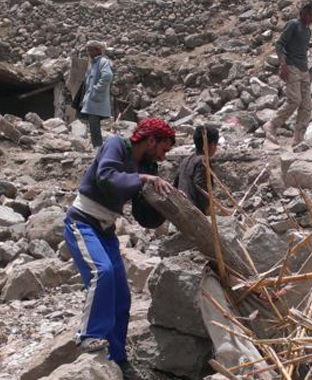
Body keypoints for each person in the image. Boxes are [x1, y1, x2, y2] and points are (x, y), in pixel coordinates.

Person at [63, 118, 176, 379]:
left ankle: (118, 357)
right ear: (151, 140)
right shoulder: (116, 145)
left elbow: (142, 214)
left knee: (121, 296)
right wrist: (144, 177)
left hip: (105, 230)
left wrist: (163, 204)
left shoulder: (145, 165)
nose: (163, 155)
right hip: (83, 222)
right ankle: (89, 335)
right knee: (102, 273)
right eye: (163, 148)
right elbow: (107, 177)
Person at [264, 0, 312, 146]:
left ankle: (298, 140)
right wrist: (283, 65)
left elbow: (302, 49)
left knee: (307, 106)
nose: (311, 18)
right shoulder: (293, 25)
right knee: (294, 100)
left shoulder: (308, 30)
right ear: (303, 12)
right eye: (309, 14)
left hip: (304, 70)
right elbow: (279, 44)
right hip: (292, 67)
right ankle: (271, 125)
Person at [173, 125, 222, 216]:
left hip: (181, 209)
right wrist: (207, 210)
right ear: (212, 145)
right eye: (216, 144)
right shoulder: (203, 161)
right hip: (194, 212)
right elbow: (201, 187)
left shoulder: (185, 160)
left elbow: (175, 185)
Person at [80, 41, 114, 148]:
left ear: (98, 50)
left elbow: (107, 76)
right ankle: (97, 146)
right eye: (88, 50)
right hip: (92, 99)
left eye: (91, 50)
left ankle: (98, 146)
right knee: (93, 124)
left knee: (94, 124)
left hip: (96, 99)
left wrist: (97, 89)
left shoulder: (103, 61)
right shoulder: (93, 63)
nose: (89, 52)